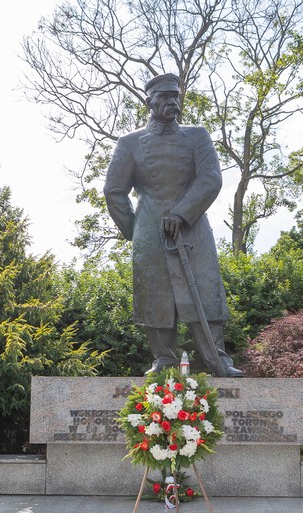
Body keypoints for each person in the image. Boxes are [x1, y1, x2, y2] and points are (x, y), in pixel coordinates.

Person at [103, 72, 241, 377]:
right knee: (156, 298)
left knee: (205, 291)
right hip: (150, 232)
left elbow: (210, 178)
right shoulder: (130, 144)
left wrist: (181, 214)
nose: (172, 102)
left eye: (176, 96)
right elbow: (114, 191)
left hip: (193, 227)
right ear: (149, 100)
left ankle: (218, 360)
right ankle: (163, 361)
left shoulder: (197, 136)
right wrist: (136, 230)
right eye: (165, 96)